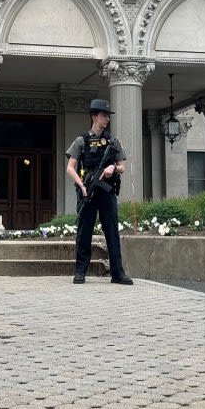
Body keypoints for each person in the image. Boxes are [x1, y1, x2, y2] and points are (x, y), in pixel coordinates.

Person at [65, 99, 133, 285]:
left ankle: (117, 273)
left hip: (107, 191)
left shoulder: (113, 141)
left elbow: (122, 167)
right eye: (104, 116)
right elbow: (70, 168)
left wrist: (112, 167)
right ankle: (80, 272)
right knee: (84, 231)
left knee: (111, 231)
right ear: (94, 116)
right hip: (88, 190)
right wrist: (82, 185)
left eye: (108, 117)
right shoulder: (82, 140)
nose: (107, 120)